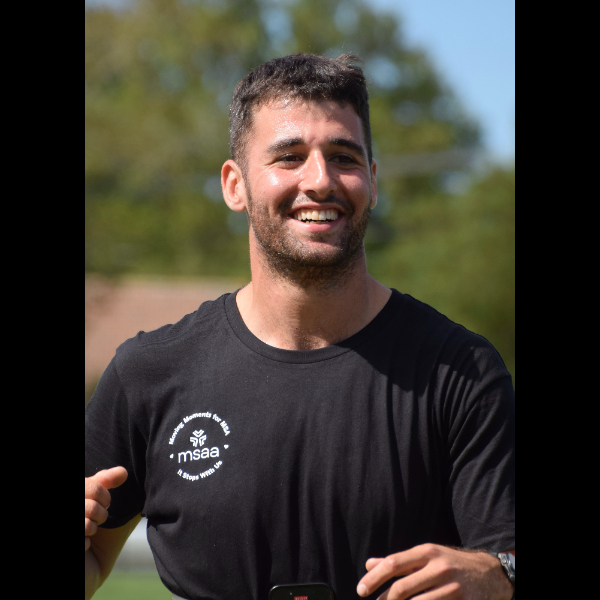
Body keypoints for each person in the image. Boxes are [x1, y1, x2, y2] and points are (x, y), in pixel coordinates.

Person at [85, 53, 515, 600]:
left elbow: (505, 561)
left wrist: (498, 577)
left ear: (373, 181)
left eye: (343, 157)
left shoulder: (460, 372)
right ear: (235, 185)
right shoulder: (148, 373)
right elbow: (93, 559)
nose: (320, 180)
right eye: (289, 157)